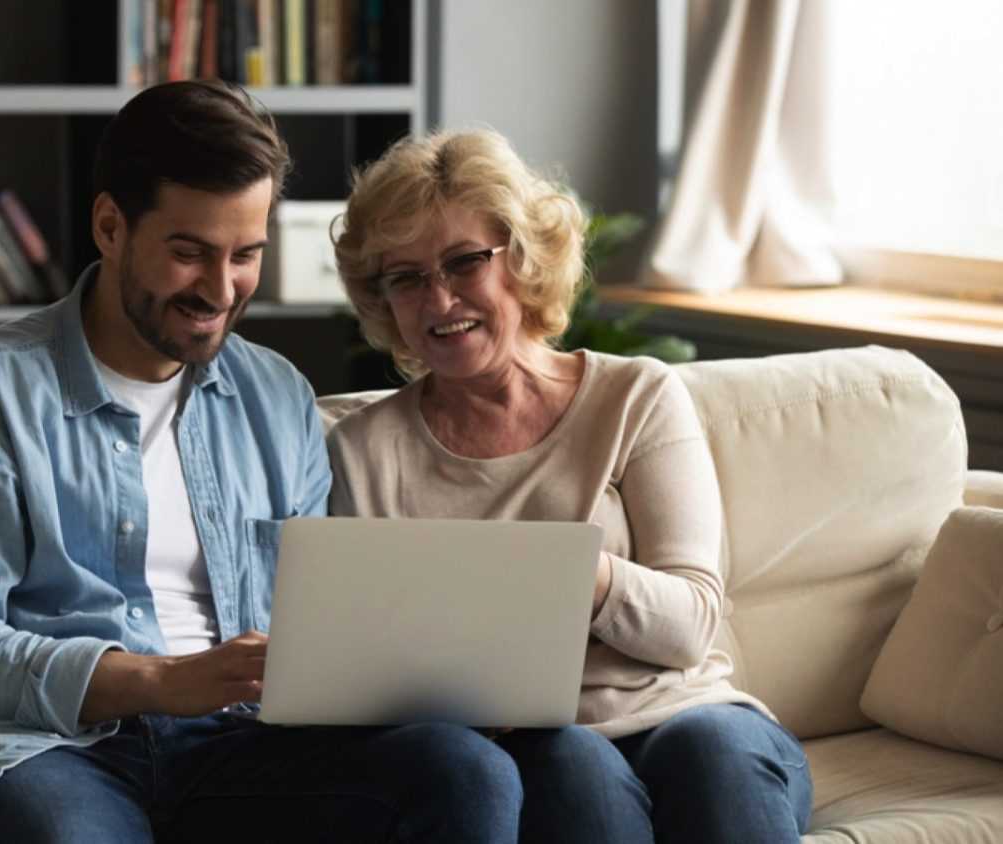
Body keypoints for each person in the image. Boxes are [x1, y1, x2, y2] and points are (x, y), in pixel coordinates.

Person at [0, 81, 521, 844]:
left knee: (464, 771)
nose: (220, 288)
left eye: (246, 255)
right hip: (46, 752)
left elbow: (314, 626)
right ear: (110, 226)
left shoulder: (275, 396)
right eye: (188, 252)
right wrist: (161, 683)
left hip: (242, 749)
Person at [326, 128, 813, 844]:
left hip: (691, 715)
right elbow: (369, 667)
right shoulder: (363, 452)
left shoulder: (636, 397)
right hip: (536, 741)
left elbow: (691, 625)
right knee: (568, 762)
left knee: (711, 755)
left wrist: (577, 576)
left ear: (522, 263)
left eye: (464, 263)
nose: (438, 299)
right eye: (406, 277)